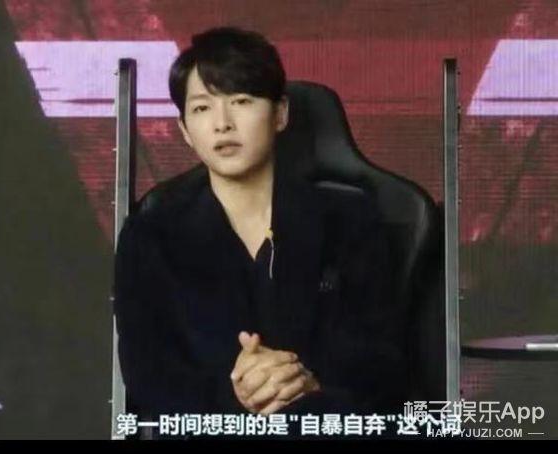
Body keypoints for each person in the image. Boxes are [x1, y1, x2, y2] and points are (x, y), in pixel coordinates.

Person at [114, 26, 409, 436]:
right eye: (202, 108)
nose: (222, 124)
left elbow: (381, 359)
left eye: (241, 101)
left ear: (280, 114)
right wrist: (236, 395)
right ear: (184, 131)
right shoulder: (151, 234)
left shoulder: (349, 219)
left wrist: (304, 382)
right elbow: (148, 375)